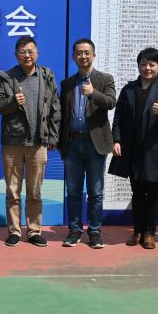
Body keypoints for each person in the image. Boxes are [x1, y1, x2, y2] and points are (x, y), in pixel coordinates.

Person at [0, 36, 61, 247]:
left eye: (31, 51)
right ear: (16, 55)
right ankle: (14, 231)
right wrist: (13, 101)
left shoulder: (46, 76)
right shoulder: (7, 77)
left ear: (37, 53)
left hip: (38, 142)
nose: (27, 55)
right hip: (13, 142)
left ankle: (33, 231)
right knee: (12, 190)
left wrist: (53, 136)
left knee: (35, 191)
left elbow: (55, 107)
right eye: (23, 52)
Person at [108, 47, 158, 249]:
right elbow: (118, 117)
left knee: (153, 194)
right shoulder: (129, 89)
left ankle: (150, 233)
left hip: (154, 151)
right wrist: (116, 140)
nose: (147, 68)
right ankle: (137, 231)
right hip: (133, 150)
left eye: (152, 64)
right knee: (137, 193)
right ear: (138, 66)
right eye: (144, 64)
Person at [58, 38, 116, 249]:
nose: (83, 56)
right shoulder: (67, 83)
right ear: (74, 57)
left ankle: (94, 231)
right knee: (73, 191)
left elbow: (111, 102)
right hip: (72, 143)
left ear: (93, 55)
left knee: (95, 192)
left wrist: (93, 93)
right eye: (79, 53)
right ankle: (74, 230)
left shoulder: (105, 79)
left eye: (87, 52)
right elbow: (62, 114)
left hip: (95, 143)